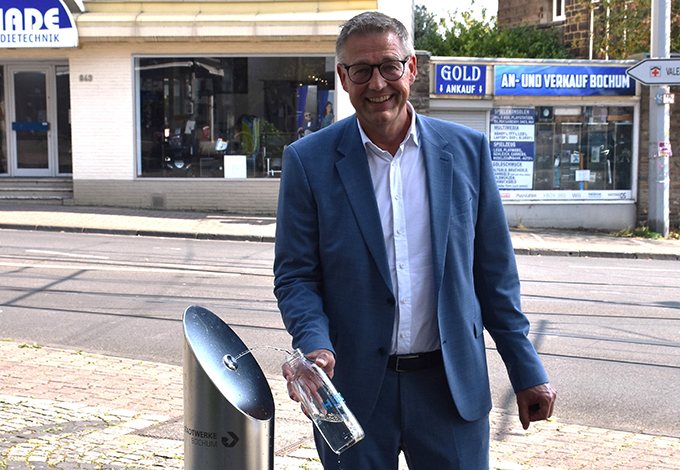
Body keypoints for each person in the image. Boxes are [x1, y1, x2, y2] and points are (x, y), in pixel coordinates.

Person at [274, 11, 556, 470]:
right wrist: (315, 343)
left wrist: (526, 370)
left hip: (450, 389)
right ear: (344, 78)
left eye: (389, 65)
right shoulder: (308, 161)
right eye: (361, 70)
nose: (378, 83)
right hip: (351, 390)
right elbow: (296, 275)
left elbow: (495, 275)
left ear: (411, 68)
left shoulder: (467, 152)